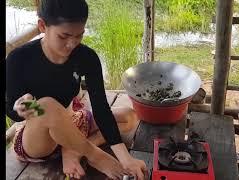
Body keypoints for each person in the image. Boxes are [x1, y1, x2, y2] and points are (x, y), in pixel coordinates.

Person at [6, 0, 147, 179]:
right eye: (63, 36)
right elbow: (11, 109)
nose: (72, 44)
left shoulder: (86, 57)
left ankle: (74, 150)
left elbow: (101, 110)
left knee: (129, 116)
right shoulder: (19, 58)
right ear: (42, 26)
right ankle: (94, 155)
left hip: (70, 122)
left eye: (79, 35)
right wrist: (21, 107)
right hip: (38, 138)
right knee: (47, 105)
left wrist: (126, 159)